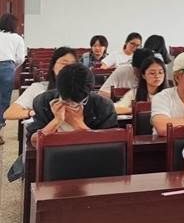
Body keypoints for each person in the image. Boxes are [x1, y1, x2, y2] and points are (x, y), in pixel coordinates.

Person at [29, 63, 118, 140]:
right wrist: (56, 121)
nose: (70, 106)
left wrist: (77, 123)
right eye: (65, 102)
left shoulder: (103, 106)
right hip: (53, 152)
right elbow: (34, 141)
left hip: (91, 153)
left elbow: (109, 144)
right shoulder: (43, 101)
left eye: (75, 104)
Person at [4, 47, 77, 122]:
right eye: (64, 63)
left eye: (73, 65)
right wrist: (34, 112)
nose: (69, 68)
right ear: (53, 66)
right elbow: (9, 113)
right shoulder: (39, 88)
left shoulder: (81, 91)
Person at [0, 13, 26, 143]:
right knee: (3, 100)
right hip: (7, 67)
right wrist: (12, 66)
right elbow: (21, 58)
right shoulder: (17, 38)